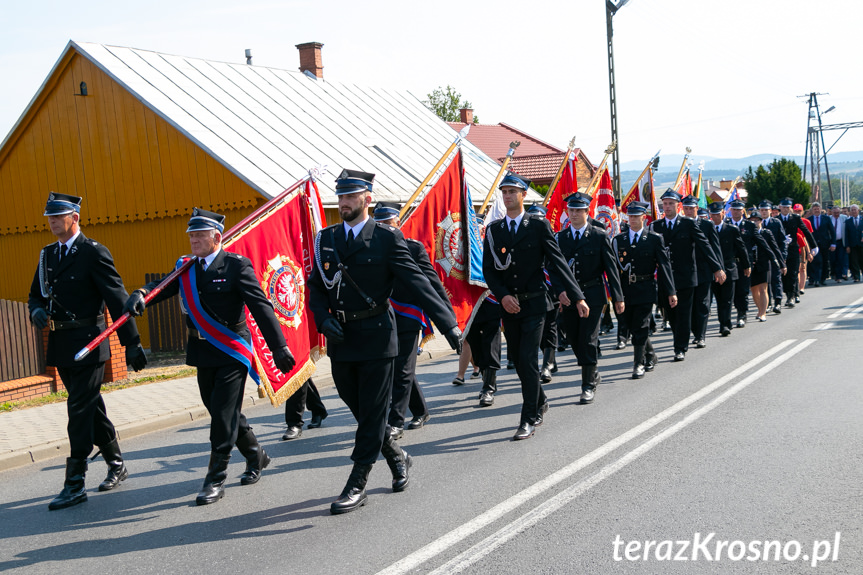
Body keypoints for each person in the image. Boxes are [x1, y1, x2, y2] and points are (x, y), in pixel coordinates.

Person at [308, 169, 461, 514]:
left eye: (350, 196)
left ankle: (357, 482)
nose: (343, 202)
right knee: (362, 411)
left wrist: (449, 326)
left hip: (378, 337)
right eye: (340, 196)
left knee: (374, 413)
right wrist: (322, 318)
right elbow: (315, 286)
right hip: (342, 339)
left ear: (367, 199)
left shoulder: (387, 239)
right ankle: (397, 454)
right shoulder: (326, 239)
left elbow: (420, 283)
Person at [124, 208, 296, 505]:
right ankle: (257, 455)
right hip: (202, 351)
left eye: (199, 234)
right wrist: (141, 293)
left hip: (231, 350)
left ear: (217, 237)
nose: (193, 239)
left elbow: (260, 306)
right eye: (191, 234)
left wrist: (279, 346)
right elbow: (162, 287)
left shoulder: (236, 266)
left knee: (222, 415)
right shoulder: (186, 268)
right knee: (221, 410)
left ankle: (215, 478)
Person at [29, 193, 148, 511]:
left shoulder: (93, 252)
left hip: (91, 345)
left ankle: (74, 483)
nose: (52, 222)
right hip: (62, 347)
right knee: (90, 407)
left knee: (78, 411)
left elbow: (116, 297)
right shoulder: (47, 256)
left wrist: (132, 343)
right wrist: (36, 311)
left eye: (58, 217)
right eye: (49, 218)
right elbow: (36, 296)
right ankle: (117, 463)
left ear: (75, 218)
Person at [483, 172, 588, 440]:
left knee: (529, 359)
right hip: (509, 306)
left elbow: (557, 262)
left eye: (512, 192)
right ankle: (540, 400)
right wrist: (503, 295)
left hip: (535, 304)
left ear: (523, 195)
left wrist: (577, 296)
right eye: (504, 192)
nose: (507, 197)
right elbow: (490, 271)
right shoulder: (494, 231)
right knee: (518, 360)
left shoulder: (538, 226)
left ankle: (529, 416)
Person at [371, 201, 455, 438]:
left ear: (399, 222)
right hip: (382, 318)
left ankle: (395, 421)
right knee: (397, 369)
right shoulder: (370, 249)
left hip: (408, 316)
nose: (385, 227)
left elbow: (432, 284)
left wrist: (449, 321)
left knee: (403, 371)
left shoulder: (413, 248)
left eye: (389, 222)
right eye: (380, 223)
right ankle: (420, 410)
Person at [554, 192, 624, 403]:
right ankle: (592, 371)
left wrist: (618, 297)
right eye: (571, 210)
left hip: (592, 295)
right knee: (574, 339)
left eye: (578, 210)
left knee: (588, 339)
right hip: (568, 298)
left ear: (587, 212)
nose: (574, 214)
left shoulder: (599, 236)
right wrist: (560, 291)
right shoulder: (560, 238)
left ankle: (587, 384)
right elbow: (553, 268)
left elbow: (611, 270)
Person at [651, 189, 725, 361]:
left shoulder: (689, 224)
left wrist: (717, 268)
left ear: (678, 206)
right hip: (666, 279)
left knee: (684, 313)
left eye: (671, 204)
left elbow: (705, 246)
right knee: (671, 314)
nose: (667, 207)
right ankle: (680, 338)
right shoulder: (656, 226)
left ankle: (680, 347)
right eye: (665, 204)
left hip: (686, 277)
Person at [612, 201, 676, 379]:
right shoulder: (619, 240)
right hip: (626, 290)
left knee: (641, 326)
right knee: (633, 326)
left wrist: (671, 291)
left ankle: (637, 364)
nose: (632, 219)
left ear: (643, 217)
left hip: (646, 288)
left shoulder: (655, 239)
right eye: (630, 216)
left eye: (635, 216)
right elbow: (615, 269)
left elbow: (664, 266)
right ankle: (650, 355)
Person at [682, 195, 720, 349]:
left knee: (702, 304)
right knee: (689, 306)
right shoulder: (680, 224)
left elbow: (714, 249)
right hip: (686, 272)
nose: (689, 211)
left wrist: (718, 268)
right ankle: (695, 331)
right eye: (686, 208)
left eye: (691, 208)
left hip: (704, 270)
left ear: (697, 209)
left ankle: (701, 336)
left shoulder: (707, 225)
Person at [709, 202, 749, 336]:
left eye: (717, 213)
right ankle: (724, 321)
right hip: (713, 270)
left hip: (729, 268)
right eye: (712, 214)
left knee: (727, 299)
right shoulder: (706, 229)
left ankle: (725, 324)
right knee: (719, 299)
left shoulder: (731, 229)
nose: (715, 216)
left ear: (723, 213)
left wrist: (746, 265)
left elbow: (741, 248)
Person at [727, 200, 769, 327]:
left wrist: (775, 258)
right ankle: (733, 314)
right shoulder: (726, 224)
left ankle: (742, 314)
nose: (736, 212)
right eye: (733, 209)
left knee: (743, 290)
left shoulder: (749, 226)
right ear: (730, 210)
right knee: (732, 292)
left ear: (742, 211)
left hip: (746, 264)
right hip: (730, 264)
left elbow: (761, 242)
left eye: (738, 209)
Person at [778, 198, 816, 307]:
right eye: (783, 207)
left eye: (787, 207)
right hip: (781, 251)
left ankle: (791, 296)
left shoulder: (795, 218)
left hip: (793, 249)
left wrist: (813, 246)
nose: (785, 209)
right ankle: (790, 292)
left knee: (793, 273)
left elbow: (805, 231)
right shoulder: (776, 220)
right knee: (784, 275)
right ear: (780, 208)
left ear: (790, 208)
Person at [759, 201, 787, 314]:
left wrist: (783, 256)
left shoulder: (776, 223)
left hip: (775, 256)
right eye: (762, 210)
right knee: (766, 281)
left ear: (770, 211)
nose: (764, 212)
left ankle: (778, 302)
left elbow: (782, 241)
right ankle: (768, 303)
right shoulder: (756, 223)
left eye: (766, 210)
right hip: (762, 258)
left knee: (776, 279)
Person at [807, 202, 835, 287]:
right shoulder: (809, 219)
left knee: (825, 261)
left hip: (825, 244)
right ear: (812, 210)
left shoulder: (826, 218)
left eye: (818, 208)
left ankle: (822, 279)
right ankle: (816, 279)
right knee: (816, 261)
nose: (816, 210)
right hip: (814, 244)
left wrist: (833, 243)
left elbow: (832, 231)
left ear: (820, 209)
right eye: (815, 209)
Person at [829, 205, 848, 282]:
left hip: (840, 242)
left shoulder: (844, 218)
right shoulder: (829, 219)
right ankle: (833, 273)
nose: (836, 214)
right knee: (833, 259)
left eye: (838, 212)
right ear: (832, 212)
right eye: (835, 213)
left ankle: (839, 277)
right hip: (831, 242)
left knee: (840, 259)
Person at [845, 205, 863, 282]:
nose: (853, 211)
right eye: (852, 210)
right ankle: (856, 277)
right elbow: (846, 234)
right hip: (852, 244)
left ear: (858, 210)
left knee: (862, 260)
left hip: (861, 244)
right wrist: (847, 246)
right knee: (854, 261)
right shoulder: (848, 221)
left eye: (855, 210)